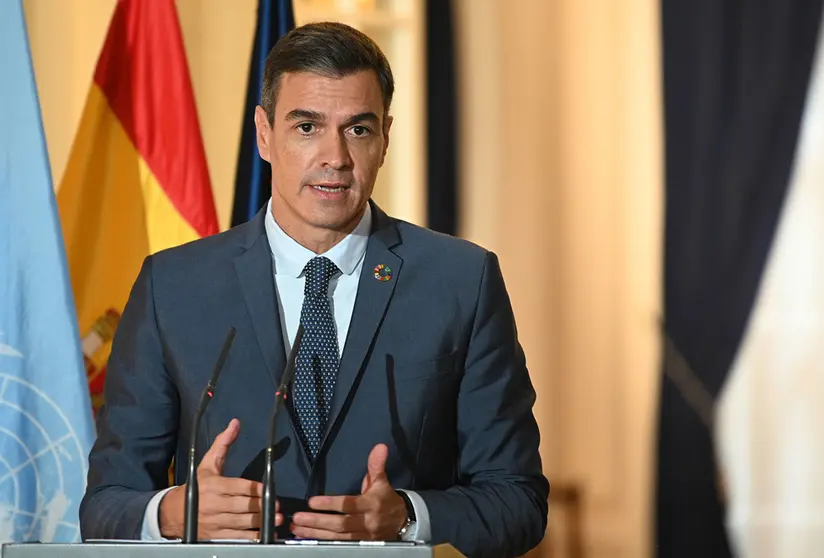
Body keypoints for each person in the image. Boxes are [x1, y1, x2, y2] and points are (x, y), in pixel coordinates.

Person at [80, 22, 548, 558]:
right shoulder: (175, 286)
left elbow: (518, 503)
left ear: (385, 137)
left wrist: (408, 516)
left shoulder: (461, 281)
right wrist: (173, 512)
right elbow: (103, 506)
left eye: (358, 130)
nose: (335, 157)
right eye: (307, 127)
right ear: (263, 134)